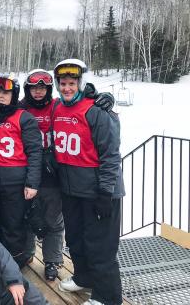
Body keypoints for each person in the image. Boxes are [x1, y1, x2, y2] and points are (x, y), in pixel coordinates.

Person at [20, 69, 116, 281]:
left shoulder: (57, 106)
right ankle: (25, 254)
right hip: (27, 172)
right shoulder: (20, 108)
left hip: (55, 173)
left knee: (54, 220)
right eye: (34, 88)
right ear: (28, 89)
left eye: (42, 88)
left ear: (49, 89)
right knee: (27, 217)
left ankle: (53, 261)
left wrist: (104, 97)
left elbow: (83, 106)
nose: (38, 92)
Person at [51, 59, 124, 305]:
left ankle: (107, 297)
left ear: (81, 83)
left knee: (100, 246)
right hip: (72, 189)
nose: (67, 88)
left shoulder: (95, 110)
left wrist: (106, 192)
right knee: (76, 239)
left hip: (98, 191)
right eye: (63, 84)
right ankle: (84, 277)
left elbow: (111, 154)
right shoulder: (57, 109)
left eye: (72, 83)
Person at [0, 76, 42, 268]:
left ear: (13, 95)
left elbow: (34, 152)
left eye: (5, 93)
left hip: (15, 183)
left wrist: (32, 183)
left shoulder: (24, 118)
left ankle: (14, 265)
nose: (0, 95)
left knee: (13, 226)